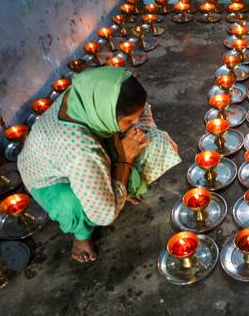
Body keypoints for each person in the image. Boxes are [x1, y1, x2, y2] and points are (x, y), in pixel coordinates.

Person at [18, 67, 181, 263]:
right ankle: (81, 235)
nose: (135, 123)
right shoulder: (80, 149)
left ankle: (121, 188)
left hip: (85, 156)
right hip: (50, 179)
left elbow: (141, 113)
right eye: (129, 120)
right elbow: (104, 215)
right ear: (105, 114)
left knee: (156, 142)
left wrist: (130, 135)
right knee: (73, 205)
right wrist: (125, 158)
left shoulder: (91, 93)